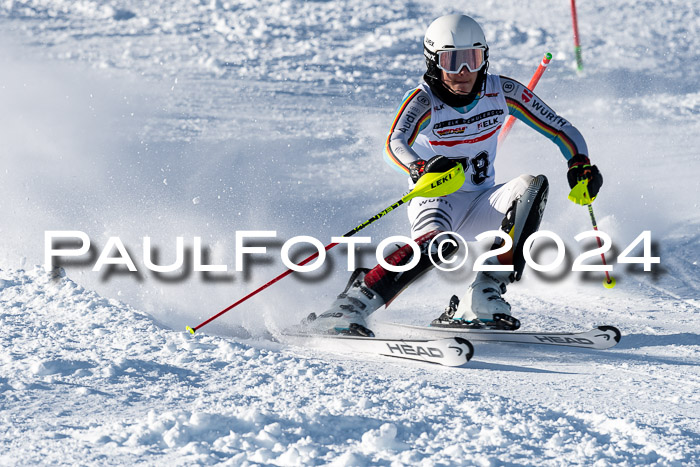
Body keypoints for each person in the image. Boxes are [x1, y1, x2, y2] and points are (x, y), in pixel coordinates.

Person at [304, 13, 602, 336]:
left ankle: (484, 294)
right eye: (452, 61)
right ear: (434, 63)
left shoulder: (500, 90)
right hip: (437, 197)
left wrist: (579, 163)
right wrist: (419, 167)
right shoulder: (424, 99)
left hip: (481, 201)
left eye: (472, 60)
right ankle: (353, 302)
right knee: (438, 245)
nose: (464, 73)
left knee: (533, 186)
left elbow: (559, 127)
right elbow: (393, 144)